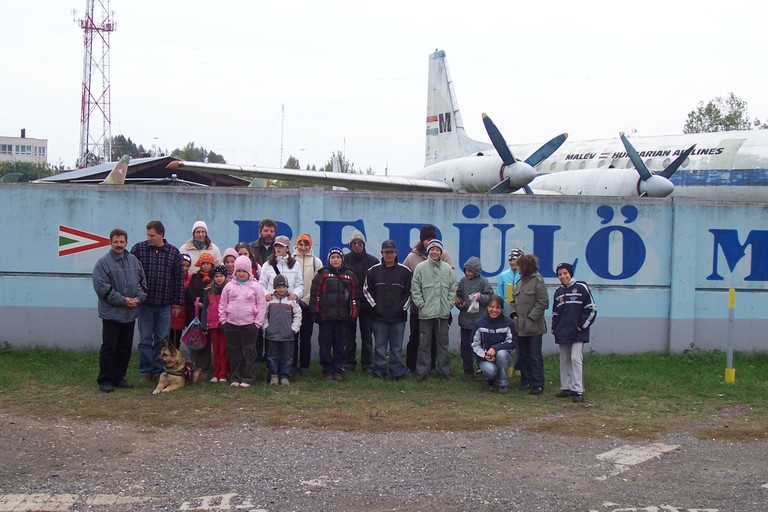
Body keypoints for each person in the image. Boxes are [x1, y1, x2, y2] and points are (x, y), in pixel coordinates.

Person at [92, 228, 147, 393]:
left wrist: (138, 299)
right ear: (110, 242)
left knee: (125, 348)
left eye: (121, 242)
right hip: (112, 314)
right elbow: (102, 289)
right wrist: (123, 301)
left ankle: (119, 377)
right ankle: (106, 380)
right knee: (110, 348)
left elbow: (143, 285)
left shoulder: (134, 261)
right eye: (116, 242)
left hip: (129, 315)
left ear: (126, 242)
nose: (119, 245)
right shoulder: (103, 263)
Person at [130, 220, 184, 381]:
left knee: (162, 339)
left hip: (165, 305)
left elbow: (178, 279)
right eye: (147, 235)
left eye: (152, 235)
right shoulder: (139, 249)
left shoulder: (173, 253)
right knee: (145, 338)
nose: (149, 238)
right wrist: (135, 287)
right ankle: (145, 371)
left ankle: (159, 370)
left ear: (161, 234)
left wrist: (177, 303)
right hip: (145, 304)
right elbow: (131, 270)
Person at [403, 225, 455, 372]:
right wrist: (419, 303)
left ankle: (433, 367)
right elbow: (407, 279)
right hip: (419, 309)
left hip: (440, 307)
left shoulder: (444, 255)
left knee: (437, 340)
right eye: (426, 239)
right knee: (416, 338)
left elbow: (452, 279)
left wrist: (448, 303)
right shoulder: (412, 257)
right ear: (422, 241)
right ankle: (412, 366)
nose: (430, 244)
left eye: (432, 239)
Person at [363, 240, 411, 380]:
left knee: (396, 347)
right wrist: (375, 306)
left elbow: (410, 292)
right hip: (379, 317)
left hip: (398, 318)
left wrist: (402, 308)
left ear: (396, 253)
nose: (389, 255)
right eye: (386, 252)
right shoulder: (373, 271)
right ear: (382, 253)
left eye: (391, 252)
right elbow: (366, 290)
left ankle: (396, 371)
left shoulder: (405, 272)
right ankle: (379, 370)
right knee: (379, 346)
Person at [310, 248, 358, 381]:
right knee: (325, 344)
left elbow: (355, 297)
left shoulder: (350, 276)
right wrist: (315, 311)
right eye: (333, 257)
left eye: (338, 257)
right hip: (325, 318)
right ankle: (327, 370)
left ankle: (338, 370)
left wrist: (353, 313)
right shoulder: (322, 275)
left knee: (340, 345)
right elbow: (315, 294)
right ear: (329, 260)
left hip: (342, 318)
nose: (335, 260)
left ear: (342, 259)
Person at [219, 255, 267, 388]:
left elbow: (261, 305)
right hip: (231, 324)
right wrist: (224, 320)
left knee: (248, 352)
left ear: (248, 272)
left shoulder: (255, 287)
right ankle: (235, 377)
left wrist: (257, 323)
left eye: (243, 271)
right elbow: (223, 304)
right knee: (234, 351)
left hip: (249, 325)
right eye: (238, 271)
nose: (241, 274)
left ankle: (248, 377)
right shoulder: (228, 286)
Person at [551, 262, 597, 403]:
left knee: (575, 359)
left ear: (570, 273)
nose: (563, 276)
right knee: (564, 360)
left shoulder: (581, 287)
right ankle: (566, 387)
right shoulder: (558, 292)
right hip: (563, 332)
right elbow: (555, 313)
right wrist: (555, 329)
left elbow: (591, 309)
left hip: (578, 332)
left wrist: (581, 326)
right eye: (560, 274)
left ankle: (578, 390)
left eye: (565, 273)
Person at [509, 253, 549, 395]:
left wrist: (531, 318)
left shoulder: (538, 281)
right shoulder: (519, 282)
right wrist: (513, 313)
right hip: (519, 325)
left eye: (519, 265)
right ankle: (525, 381)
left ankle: (537, 383)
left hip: (534, 327)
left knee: (534, 355)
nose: (516, 267)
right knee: (523, 354)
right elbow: (512, 300)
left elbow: (543, 302)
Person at [343, 230, 378, 371]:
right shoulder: (343, 260)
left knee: (367, 336)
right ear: (351, 245)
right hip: (348, 305)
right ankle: (349, 362)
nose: (357, 245)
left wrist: (374, 302)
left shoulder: (373, 261)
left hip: (367, 306)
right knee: (348, 336)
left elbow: (376, 284)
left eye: (359, 243)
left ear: (363, 244)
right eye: (354, 243)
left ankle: (367, 363)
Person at [455, 256, 494, 377]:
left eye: (470, 271)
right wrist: (459, 303)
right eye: (466, 270)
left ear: (476, 272)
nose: (467, 273)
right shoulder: (462, 281)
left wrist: (480, 298)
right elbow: (459, 295)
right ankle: (467, 370)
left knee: (480, 347)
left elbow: (490, 297)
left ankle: (482, 368)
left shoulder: (484, 282)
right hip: (465, 321)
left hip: (479, 322)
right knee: (465, 348)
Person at [471, 296, 517, 393]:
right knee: (491, 371)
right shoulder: (479, 323)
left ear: (501, 309)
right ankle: (491, 379)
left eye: (497, 308)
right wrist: (485, 356)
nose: (494, 310)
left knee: (502, 354)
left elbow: (512, 342)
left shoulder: (508, 323)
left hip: (502, 356)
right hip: (485, 357)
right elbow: (474, 345)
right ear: (487, 307)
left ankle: (503, 384)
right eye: (491, 307)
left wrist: (495, 349)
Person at [292, 233, 323, 374]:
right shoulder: (290, 260)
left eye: (306, 244)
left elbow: (317, 285)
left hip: (308, 304)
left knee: (305, 337)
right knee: (292, 336)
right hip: (292, 303)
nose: (303, 247)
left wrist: (305, 300)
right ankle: (291, 365)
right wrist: (294, 297)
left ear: (310, 246)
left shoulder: (317, 262)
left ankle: (304, 366)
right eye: (301, 244)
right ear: (297, 245)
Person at [264, 274, 302, 386]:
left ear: (287, 287)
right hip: (272, 335)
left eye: (284, 287)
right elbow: (264, 315)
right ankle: (274, 375)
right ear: (274, 287)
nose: (281, 289)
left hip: (288, 336)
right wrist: (266, 327)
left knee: (287, 357)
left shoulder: (291, 300)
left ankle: (285, 376)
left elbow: (298, 315)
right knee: (272, 356)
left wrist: (294, 329)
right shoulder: (269, 300)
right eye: (279, 287)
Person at [186, 252, 216, 378]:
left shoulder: (215, 277)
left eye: (208, 264)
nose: (205, 266)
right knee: (195, 341)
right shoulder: (195, 278)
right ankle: (193, 365)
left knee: (207, 341)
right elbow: (190, 293)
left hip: (210, 315)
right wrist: (197, 302)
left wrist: (207, 304)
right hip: (196, 314)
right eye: (203, 263)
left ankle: (206, 367)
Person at [200, 264, 229, 383]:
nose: (219, 278)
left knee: (223, 349)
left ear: (225, 277)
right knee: (215, 349)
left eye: (221, 276)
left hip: (224, 324)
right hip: (212, 323)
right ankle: (215, 373)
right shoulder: (208, 290)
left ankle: (223, 373)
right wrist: (203, 323)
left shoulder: (229, 289)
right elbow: (205, 307)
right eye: (216, 276)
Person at [259, 235, 304, 302]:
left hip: (289, 304)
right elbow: (261, 285)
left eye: (281, 246)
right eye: (276, 246)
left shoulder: (296, 265)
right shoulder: (267, 265)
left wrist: (295, 294)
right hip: (272, 304)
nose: (278, 248)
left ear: (287, 248)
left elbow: (300, 285)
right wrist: (266, 294)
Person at [169, 253, 192, 348]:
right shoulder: (172, 277)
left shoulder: (190, 279)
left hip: (182, 314)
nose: (185, 268)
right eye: (183, 265)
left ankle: (175, 360)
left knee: (176, 339)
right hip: (171, 312)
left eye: (187, 266)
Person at [496, 248, 523, 314]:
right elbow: (499, 294)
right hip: (506, 310)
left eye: (515, 260)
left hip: (521, 309)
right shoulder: (503, 275)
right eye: (510, 260)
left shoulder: (524, 275)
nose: (512, 262)